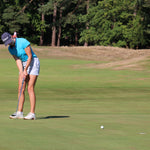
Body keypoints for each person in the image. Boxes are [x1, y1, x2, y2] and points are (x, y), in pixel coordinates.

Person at [1, 32, 40, 120]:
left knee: (30, 88)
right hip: (23, 63)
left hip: (33, 62)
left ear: (12, 37)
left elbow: (30, 56)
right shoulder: (10, 49)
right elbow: (17, 60)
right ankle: (19, 112)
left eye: (9, 41)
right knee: (20, 88)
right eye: (7, 43)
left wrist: (26, 69)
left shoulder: (23, 42)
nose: (9, 44)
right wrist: (21, 71)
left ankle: (32, 113)